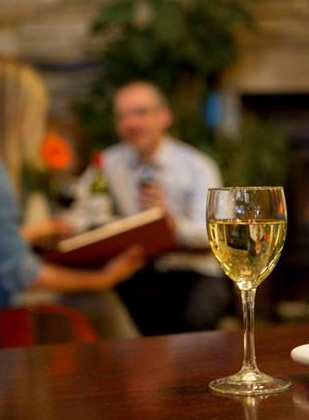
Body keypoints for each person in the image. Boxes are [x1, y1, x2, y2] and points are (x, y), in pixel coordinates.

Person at [0, 55, 146, 339]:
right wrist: (100, 279)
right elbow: (20, 274)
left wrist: (31, 232)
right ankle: (141, 382)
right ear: (13, 112)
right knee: (100, 303)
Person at [75, 80, 233, 335]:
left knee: (194, 321)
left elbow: (216, 234)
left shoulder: (198, 167)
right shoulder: (108, 162)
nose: (131, 123)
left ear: (164, 117)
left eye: (140, 113)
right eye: (122, 116)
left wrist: (171, 224)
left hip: (192, 270)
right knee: (103, 313)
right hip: (138, 270)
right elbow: (80, 209)